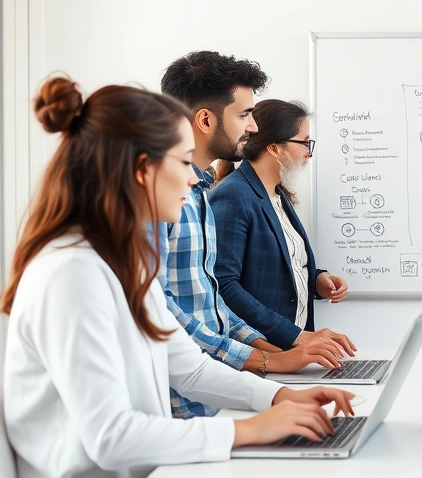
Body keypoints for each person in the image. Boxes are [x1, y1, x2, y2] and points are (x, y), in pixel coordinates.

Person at [2, 76, 355, 478]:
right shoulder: (71, 274)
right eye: (183, 161)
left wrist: (281, 397)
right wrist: (246, 430)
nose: (194, 178)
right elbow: (110, 437)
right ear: (142, 169)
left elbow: (189, 368)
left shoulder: (126, 261)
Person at [159, 51, 353, 419]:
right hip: (186, 401)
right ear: (204, 119)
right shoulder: (171, 197)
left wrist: (277, 355)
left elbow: (214, 303)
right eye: (245, 115)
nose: (252, 128)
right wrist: (269, 358)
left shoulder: (200, 193)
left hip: (217, 391)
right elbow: (168, 313)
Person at [210, 99, 352, 350]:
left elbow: (275, 267)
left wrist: (316, 280)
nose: (309, 153)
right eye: (305, 142)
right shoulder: (233, 195)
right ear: (275, 148)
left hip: (295, 352)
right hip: (263, 354)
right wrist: (295, 335)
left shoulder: (277, 195)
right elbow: (224, 285)